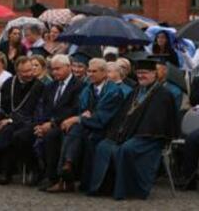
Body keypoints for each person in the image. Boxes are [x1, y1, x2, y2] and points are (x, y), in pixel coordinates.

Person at [89, 58, 177, 200]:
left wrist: (132, 135)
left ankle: (131, 190)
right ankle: (105, 188)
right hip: (129, 135)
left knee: (127, 149)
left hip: (150, 138)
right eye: (139, 73)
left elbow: (155, 124)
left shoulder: (163, 95)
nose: (141, 76)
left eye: (145, 73)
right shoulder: (135, 91)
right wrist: (118, 133)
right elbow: (123, 116)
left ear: (154, 74)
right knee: (103, 145)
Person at [47, 58, 124, 193]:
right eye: (89, 71)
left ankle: (66, 172)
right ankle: (66, 169)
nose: (90, 74)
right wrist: (81, 117)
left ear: (104, 72)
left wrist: (80, 118)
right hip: (87, 127)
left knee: (75, 129)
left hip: (107, 130)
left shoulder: (114, 91)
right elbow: (82, 111)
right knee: (69, 130)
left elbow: (102, 118)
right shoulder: (87, 89)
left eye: (94, 71)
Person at [0, 56, 45, 185]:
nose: (29, 74)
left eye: (31, 70)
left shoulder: (39, 86)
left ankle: (12, 171)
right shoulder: (10, 83)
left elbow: (33, 111)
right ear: (17, 72)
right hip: (8, 120)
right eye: (24, 72)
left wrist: (10, 120)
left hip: (29, 121)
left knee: (13, 134)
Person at [33, 54, 84, 190]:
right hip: (48, 123)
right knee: (26, 134)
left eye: (58, 69)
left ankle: (54, 178)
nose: (55, 72)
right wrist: (41, 124)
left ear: (68, 67)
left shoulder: (78, 86)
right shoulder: (50, 86)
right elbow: (43, 107)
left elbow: (74, 109)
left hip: (66, 123)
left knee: (51, 136)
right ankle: (38, 173)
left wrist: (53, 123)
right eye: (52, 69)